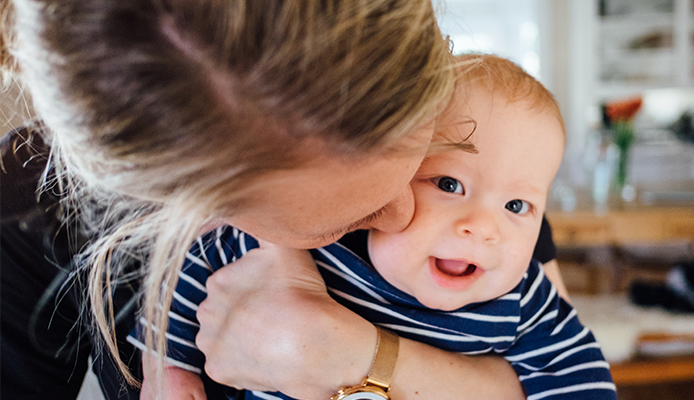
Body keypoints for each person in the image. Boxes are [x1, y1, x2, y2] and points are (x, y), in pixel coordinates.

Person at [0, 1, 567, 399]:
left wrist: (359, 358)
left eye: (424, 164)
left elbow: (560, 371)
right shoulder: (21, 216)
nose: (403, 213)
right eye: (348, 218)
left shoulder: (482, 155)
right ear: (192, 210)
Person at [133, 55, 616, 400]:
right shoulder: (326, 238)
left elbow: (579, 377)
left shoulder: (521, 299)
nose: (482, 226)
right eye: (448, 184)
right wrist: (169, 369)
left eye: (517, 205)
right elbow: (196, 263)